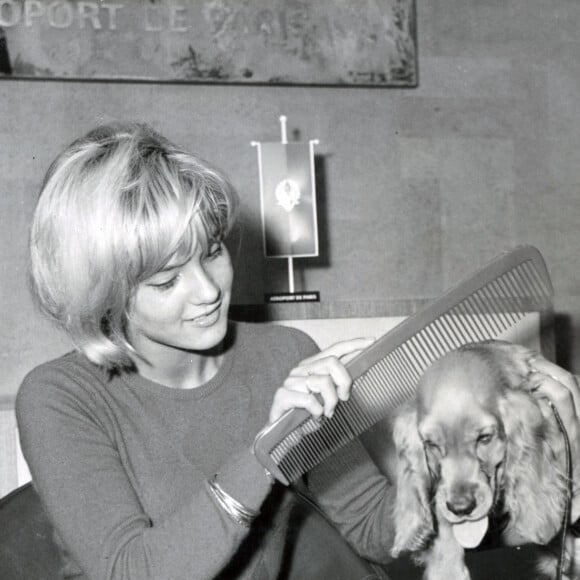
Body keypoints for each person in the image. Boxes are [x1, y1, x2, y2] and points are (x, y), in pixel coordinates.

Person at [16, 122, 396, 580]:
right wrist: (265, 451)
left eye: (213, 251)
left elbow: (373, 526)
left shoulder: (287, 355)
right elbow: (131, 571)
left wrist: (476, 483)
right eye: (166, 280)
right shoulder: (59, 396)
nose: (208, 291)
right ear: (104, 293)